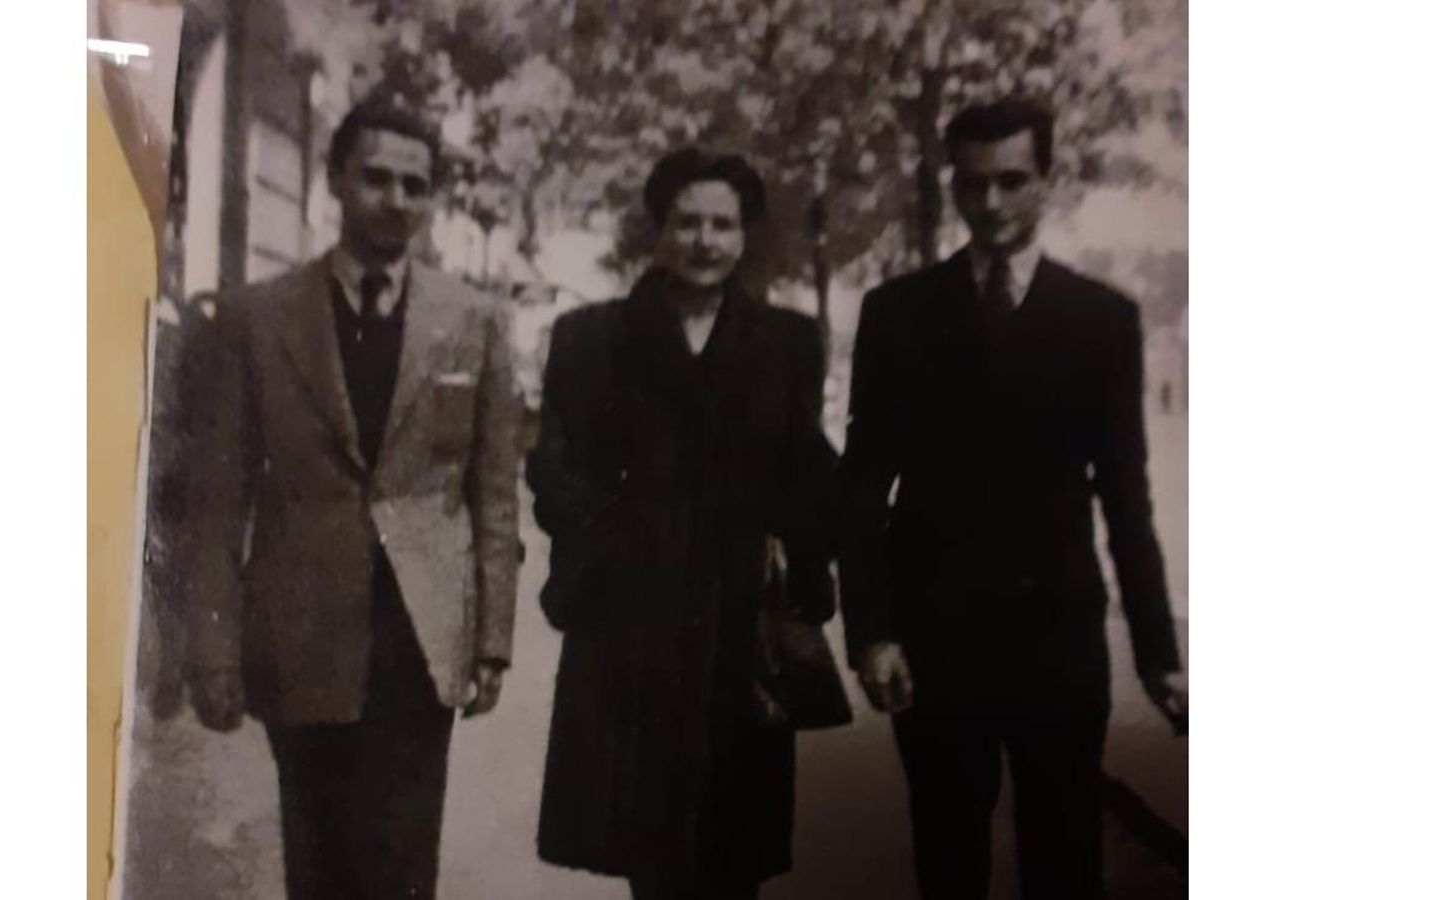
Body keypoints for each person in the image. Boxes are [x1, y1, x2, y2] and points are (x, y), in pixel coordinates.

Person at [839, 98, 1189, 900]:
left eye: (1012, 181)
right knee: (948, 860)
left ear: (1047, 182)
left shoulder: (1102, 320)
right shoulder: (898, 314)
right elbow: (861, 488)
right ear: (952, 187)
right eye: (972, 184)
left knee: (1065, 861)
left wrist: (1158, 657)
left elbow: (1125, 496)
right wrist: (872, 634)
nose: (990, 203)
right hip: (934, 642)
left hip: (1057, 641)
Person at [179, 97, 521, 900]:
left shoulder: (473, 320)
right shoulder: (257, 317)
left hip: (418, 636)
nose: (396, 200)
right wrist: (211, 648)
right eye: (375, 177)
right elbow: (216, 503)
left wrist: (492, 639)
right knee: (318, 854)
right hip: (298, 632)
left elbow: (494, 495)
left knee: (403, 865)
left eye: (416, 184)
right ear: (334, 180)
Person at [529, 148, 838, 900]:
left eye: (723, 225)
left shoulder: (787, 343)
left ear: (745, 235)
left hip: (739, 637)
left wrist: (807, 583)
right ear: (659, 229)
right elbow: (552, 471)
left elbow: (807, 477)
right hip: (631, 636)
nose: (705, 241)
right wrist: (613, 544)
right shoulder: (590, 338)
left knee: (734, 862)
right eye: (688, 222)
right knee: (654, 864)